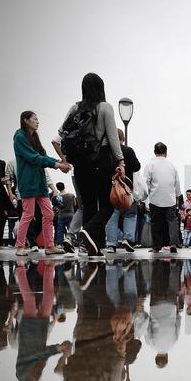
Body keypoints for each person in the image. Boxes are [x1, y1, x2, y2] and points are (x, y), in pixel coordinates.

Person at [60, 73, 125, 257]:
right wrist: (120, 161)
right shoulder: (105, 107)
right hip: (101, 158)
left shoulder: (75, 108)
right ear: (101, 88)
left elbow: (61, 133)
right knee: (108, 204)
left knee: (88, 205)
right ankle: (88, 232)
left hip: (80, 162)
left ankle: (91, 246)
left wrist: (67, 156)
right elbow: (113, 139)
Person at [13, 111, 72, 256]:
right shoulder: (20, 137)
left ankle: (49, 246)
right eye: (35, 119)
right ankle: (20, 246)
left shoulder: (34, 137)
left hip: (40, 182)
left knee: (49, 213)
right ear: (26, 120)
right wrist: (58, 165)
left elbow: (43, 156)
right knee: (28, 214)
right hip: (27, 182)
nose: (38, 122)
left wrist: (59, 162)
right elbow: (33, 158)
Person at [105, 129, 140, 253]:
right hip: (126, 189)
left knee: (112, 216)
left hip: (111, 189)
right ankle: (128, 239)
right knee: (130, 214)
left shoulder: (106, 151)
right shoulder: (128, 150)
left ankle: (111, 244)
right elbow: (137, 167)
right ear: (123, 138)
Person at [143, 142, 181, 254]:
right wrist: (177, 196)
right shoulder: (172, 165)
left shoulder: (150, 165)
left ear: (154, 152)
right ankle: (173, 244)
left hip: (155, 199)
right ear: (166, 152)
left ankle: (156, 246)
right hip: (170, 199)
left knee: (156, 223)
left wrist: (146, 199)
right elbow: (177, 183)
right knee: (172, 222)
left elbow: (146, 183)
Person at [53, 181, 75, 246]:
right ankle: (72, 243)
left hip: (61, 215)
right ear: (64, 186)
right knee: (71, 229)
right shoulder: (71, 195)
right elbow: (75, 204)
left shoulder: (58, 197)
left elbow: (57, 206)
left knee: (60, 230)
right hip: (71, 214)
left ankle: (59, 244)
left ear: (57, 188)